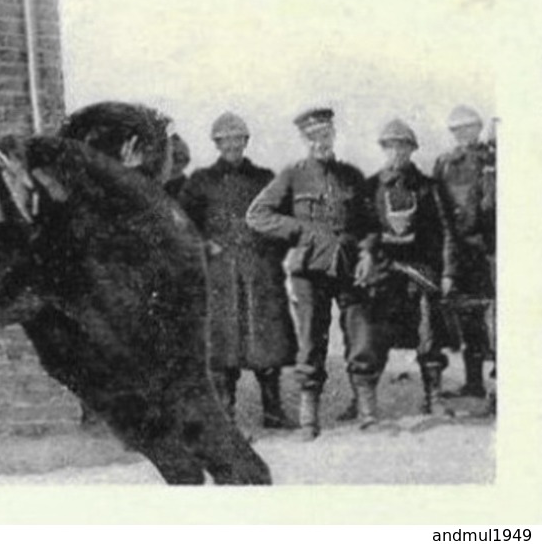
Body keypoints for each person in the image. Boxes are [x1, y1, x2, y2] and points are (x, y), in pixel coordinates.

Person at [246, 107, 382, 439]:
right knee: (310, 340)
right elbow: (257, 214)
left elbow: (371, 224)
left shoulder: (352, 175)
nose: (320, 142)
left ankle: (367, 412)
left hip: (349, 265)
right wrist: (299, 230)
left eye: (325, 135)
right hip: (308, 268)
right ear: (304, 140)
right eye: (312, 137)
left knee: (360, 336)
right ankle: (309, 420)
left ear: (333, 135)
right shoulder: (292, 174)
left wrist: (367, 254)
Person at [177, 112, 296, 429]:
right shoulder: (200, 181)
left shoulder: (265, 178)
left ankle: (273, 411)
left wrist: (270, 254)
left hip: (260, 273)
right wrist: (205, 247)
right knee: (222, 347)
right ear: (216, 143)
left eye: (237, 139)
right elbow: (182, 225)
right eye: (225, 140)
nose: (231, 145)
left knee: (267, 345)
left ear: (246, 141)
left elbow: (284, 221)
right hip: (220, 275)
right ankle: (224, 416)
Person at [358, 118, 460, 419]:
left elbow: (446, 232)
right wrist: (368, 250)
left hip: (421, 272)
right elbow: (361, 227)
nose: (397, 154)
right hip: (385, 271)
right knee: (372, 334)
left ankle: (434, 396)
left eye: (403, 147)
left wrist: (448, 273)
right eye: (390, 147)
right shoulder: (371, 186)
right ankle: (364, 403)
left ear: (412, 150)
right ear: (384, 150)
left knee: (428, 333)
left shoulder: (428, 187)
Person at [431, 104, 497, 400]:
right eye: (457, 130)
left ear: (479, 128)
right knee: (470, 316)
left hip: (495, 249)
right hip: (464, 251)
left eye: (469, 128)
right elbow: (441, 213)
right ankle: (474, 383)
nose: (463, 135)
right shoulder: (446, 164)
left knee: (500, 320)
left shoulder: (494, 158)